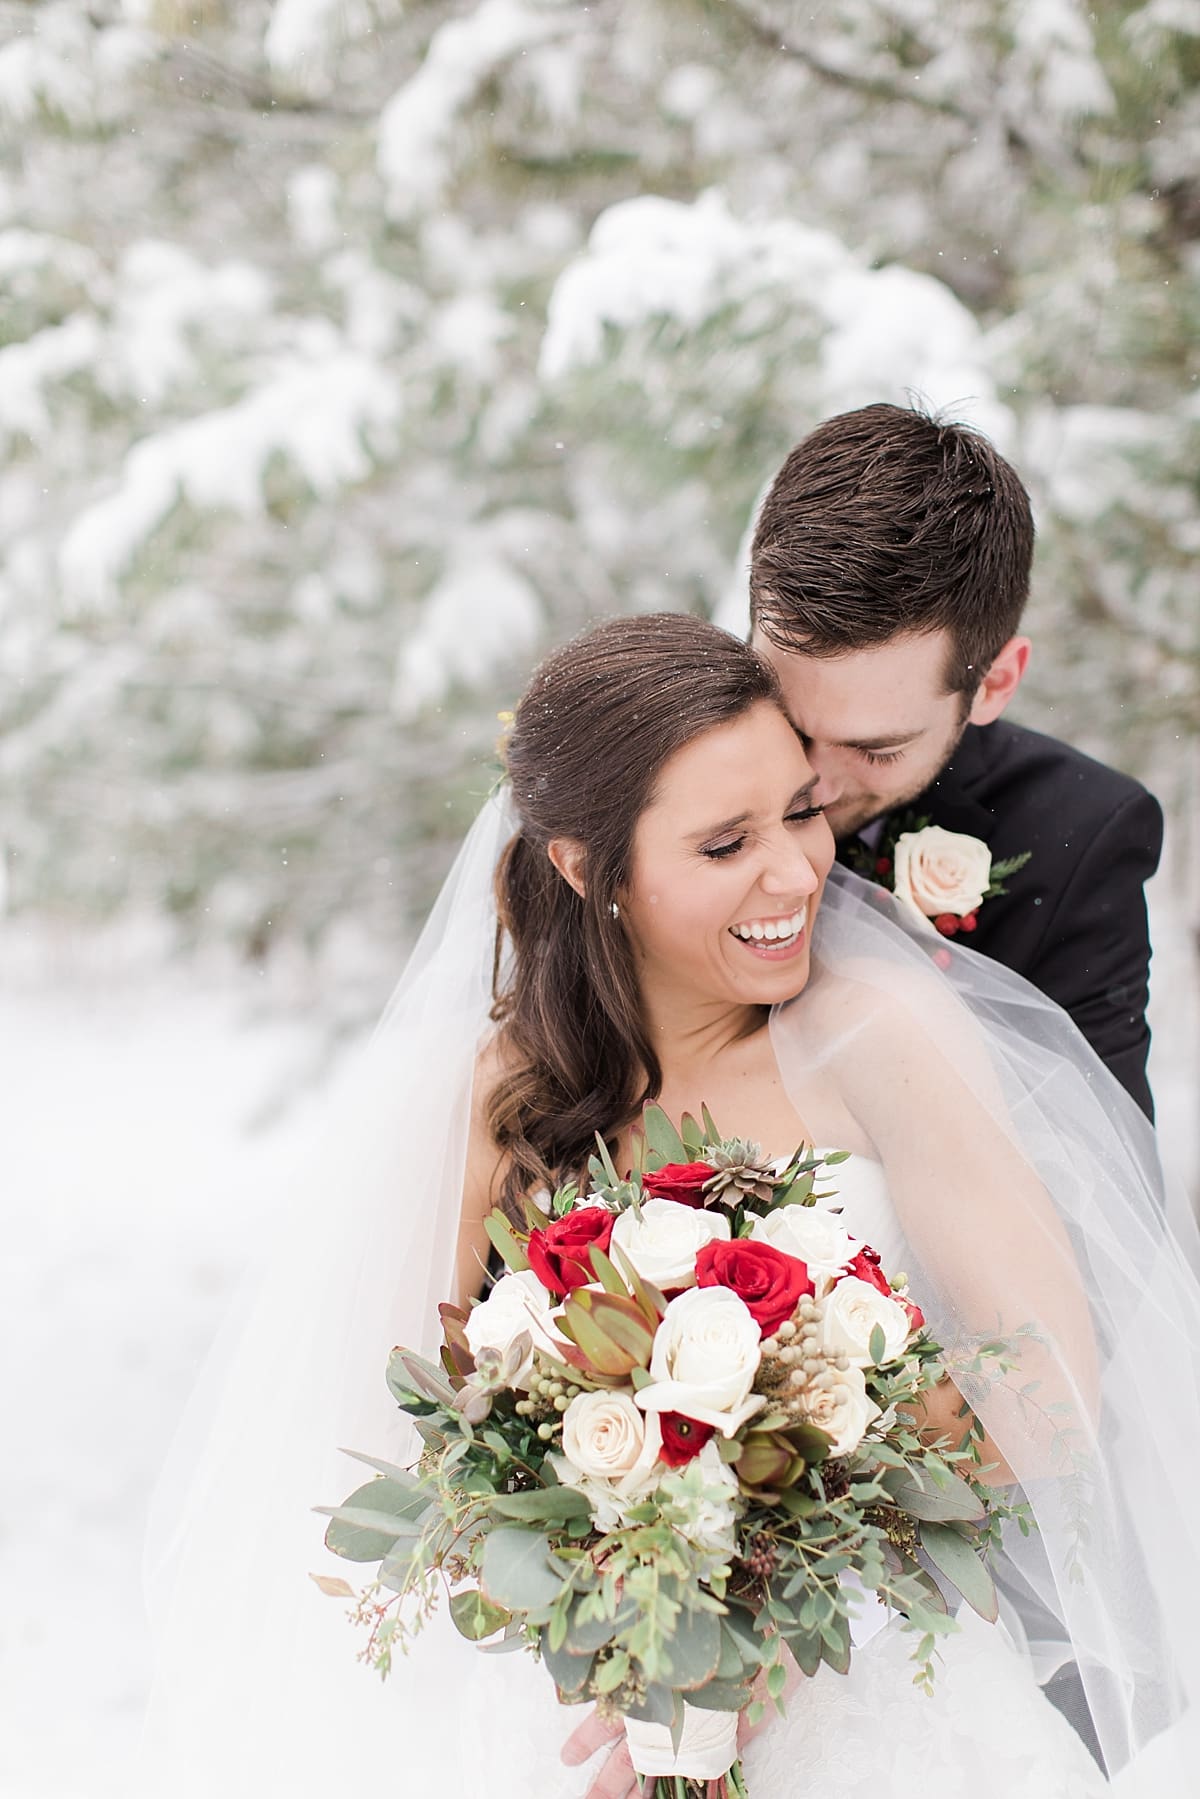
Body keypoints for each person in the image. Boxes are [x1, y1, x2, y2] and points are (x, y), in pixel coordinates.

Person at [134, 616, 1198, 1799]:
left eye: (801, 812)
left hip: (873, 1694)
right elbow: (409, 1428)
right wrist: (592, 1602)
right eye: (724, 842)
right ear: (590, 869)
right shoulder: (496, 1096)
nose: (795, 872)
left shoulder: (883, 1040)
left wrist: (781, 1618)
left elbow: (1046, 1394)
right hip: (560, 1717)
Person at [747, 403, 1163, 1119]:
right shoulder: (657, 756)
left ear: (994, 683)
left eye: (876, 747)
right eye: (786, 718)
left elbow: (1101, 1184)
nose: (808, 780)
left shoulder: (1080, 838)